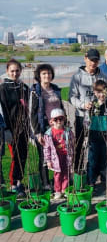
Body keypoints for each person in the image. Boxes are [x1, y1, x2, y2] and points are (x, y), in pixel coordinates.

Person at [69, 48, 107, 174]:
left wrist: (101, 103)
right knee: (80, 144)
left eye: (96, 60)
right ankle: (77, 171)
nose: (93, 63)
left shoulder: (103, 77)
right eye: (91, 60)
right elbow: (71, 97)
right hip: (82, 116)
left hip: (98, 118)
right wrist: (83, 105)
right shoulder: (77, 77)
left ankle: (96, 171)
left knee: (97, 145)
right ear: (85, 58)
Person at [30, 63, 63, 191]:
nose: (46, 76)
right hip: (43, 128)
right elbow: (32, 113)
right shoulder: (35, 91)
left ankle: (58, 181)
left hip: (57, 127)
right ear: (39, 76)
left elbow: (61, 107)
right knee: (44, 156)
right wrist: (37, 132)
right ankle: (45, 183)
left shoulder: (55, 89)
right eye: (44, 73)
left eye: (48, 73)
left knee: (59, 154)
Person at [0, 59, 30, 197]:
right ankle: (13, 183)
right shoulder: (3, 88)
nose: (15, 73)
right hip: (12, 128)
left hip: (24, 127)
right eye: (12, 71)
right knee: (16, 156)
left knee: (23, 155)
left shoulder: (23, 87)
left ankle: (19, 181)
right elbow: (3, 110)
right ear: (7, 71)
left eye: (17, 70)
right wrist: (7, 129)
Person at [87, 80, 107, 189]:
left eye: (103, 92)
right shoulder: (92, 105)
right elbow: (86, 121)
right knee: (93, 160)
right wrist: (86, 136)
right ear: (94, 92)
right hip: (94, 137)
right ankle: (91, 182)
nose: (101, 95)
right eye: (99, 92)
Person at [43, 108, 74, 200]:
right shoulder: (48, 134)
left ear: (64, 119)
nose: (59, 121)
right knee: (57, 175)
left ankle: (65, 189)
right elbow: (46, 148)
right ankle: (57, 191)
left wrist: (72, 152)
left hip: (66, 155)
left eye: (61, 119)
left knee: (66, 173)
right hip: (55, 157)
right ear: (51, 121)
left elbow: (72, 142)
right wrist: (48, 160)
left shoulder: (68, 131)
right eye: (56, 119)